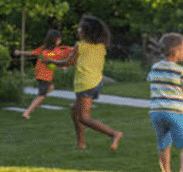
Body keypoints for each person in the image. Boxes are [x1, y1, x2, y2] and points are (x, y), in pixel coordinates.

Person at [45, 15, 123, 150]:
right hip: (95, 82)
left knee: (84, 118)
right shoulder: (101, 46)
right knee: (75, 111)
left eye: (80, 27)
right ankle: (81, 143)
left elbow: (68, 62)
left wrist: (51, 61)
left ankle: (114, 134)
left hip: (85, 84)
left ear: (85, 31)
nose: (78, 29)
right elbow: (77, 61)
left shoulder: (80, 46)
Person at [147, 33, 183, 172]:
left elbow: (151, 81)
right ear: (176, 52)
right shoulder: (181, 71)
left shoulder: (155, 67)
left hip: (156, 113)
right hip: (174, 112)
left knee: (164, 143)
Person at [14, 30, 70, 119]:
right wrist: (62, 67)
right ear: (54, 40)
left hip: (40, 74)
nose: (60, 40)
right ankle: (27, 112)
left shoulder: (43, 48)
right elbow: (53, 60)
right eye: (59, 39)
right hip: (44, 75)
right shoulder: (53, 51)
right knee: (41, 96)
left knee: (50, 88)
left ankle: (35, 102)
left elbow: (31, 53)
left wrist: (19, 53)